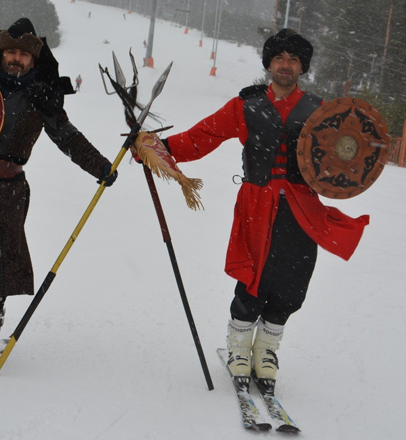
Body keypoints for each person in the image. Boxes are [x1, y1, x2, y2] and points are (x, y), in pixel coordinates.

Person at [131, 29, 369, 385]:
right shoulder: (247, 105)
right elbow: (202, 137)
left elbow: (345, 158)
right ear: (269, 64)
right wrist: (156, 147)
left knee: (292, 281)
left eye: (292, 60)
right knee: (254, 275)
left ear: (302, 67)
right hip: (257, 202)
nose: (285, 65)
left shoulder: (320, 110)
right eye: (279, 59)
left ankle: (267, 350)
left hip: (303, 208)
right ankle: (239, 348)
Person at [0, 18, 118, 363]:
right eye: (11, 52)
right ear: (2, 53)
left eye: (23, 54)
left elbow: (68, 136)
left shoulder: (41, 95)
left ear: (34, 59)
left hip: (6, 189)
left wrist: (100, 165)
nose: (16, 59)